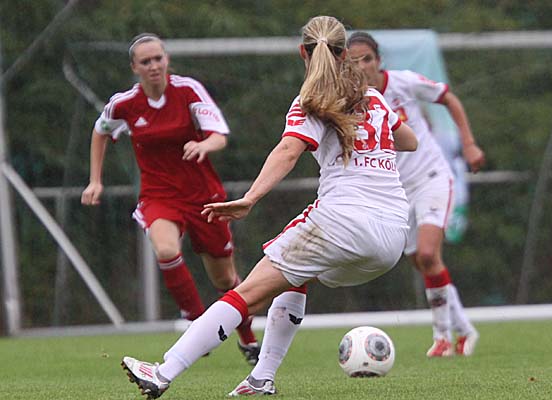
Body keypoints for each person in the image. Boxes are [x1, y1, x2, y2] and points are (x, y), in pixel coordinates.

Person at [121, 16, 417, 399]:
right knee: (296, 276)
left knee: (247, 293)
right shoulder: (373, 97)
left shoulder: (311, 101)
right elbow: (408, 141)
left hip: (343, 220)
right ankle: (261, 377)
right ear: (345, 54)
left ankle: (162, 372)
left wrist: (250, 197)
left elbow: (288, 150)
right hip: (393, 236)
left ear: (302, 53)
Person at [81, 33, 260, 364]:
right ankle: (196, 323)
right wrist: (95, 180)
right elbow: (100, 131)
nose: (153, 66)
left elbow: (219, 136)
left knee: (224, 279)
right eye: (145, 61)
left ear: (167, 60)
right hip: (159, 195)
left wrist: (204, 144)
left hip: (203, 196)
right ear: (134, 68)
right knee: (165, 249)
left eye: (158, 59)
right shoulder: (124, 104)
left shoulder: (188, 90)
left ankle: (248, 339)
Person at [348, 31, 485, 357]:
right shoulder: (350, 101)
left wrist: (468, 143)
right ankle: (465, 329)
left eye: (367, 59)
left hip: (431, 177)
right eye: (354, 62)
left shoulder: (404, 82)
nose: (362, 66)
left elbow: (448, 98)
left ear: (379, 60)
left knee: (427, 254)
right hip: (397, 191)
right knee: (424, 263)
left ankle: (442, 337)